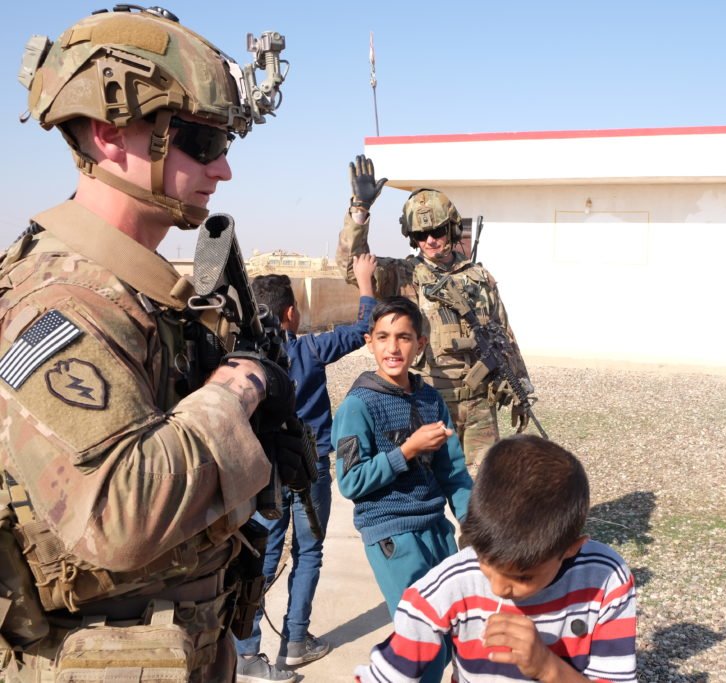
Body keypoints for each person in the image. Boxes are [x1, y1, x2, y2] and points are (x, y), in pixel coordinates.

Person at [0, 6, 294, 681]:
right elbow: (117, 509)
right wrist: (238, 388)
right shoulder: (62, 301)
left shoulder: (141, 292)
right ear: (108, 134)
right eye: (200, 141)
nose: (222, 170)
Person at [354, 434, 637, 683]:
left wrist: (547, 667)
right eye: (487, 563)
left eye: (523, 577)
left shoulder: (605, 578)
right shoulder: (452, 583)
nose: (499, 588)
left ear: (571, 548)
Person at [336, 155, 534, 467]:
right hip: (429, 403)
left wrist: (521, 386)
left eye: (438, 231)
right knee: (428, 485)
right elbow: (352, 267)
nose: (429, 240)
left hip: (480, 404)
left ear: (452, 229)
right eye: (420, 235)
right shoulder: (403, 275)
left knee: (481, 493)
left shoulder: (479, 277)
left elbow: (504, 336)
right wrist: (359, 212)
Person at [234, 254, 377, 681]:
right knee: (309, 551)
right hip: (310, 466)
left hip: (264, 470)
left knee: (264, 552)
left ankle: (248, 652)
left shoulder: (243, 362)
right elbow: (360, 331)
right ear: (291, 313)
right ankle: (296, 641)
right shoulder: (310, 349)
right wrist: (366, 286)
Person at [332, 296, 474, 683]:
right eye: (383, 337)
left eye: (404, 337)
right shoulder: (358, 406)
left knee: (457, 634)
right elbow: (350, 481)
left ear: (421, 345)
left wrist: (473, 525)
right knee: (423, 641)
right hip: (393, 537)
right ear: (369, 342)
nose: (393, 348)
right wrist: (407, 451)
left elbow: (454, 471)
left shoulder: (430, 399)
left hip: (437, 531)